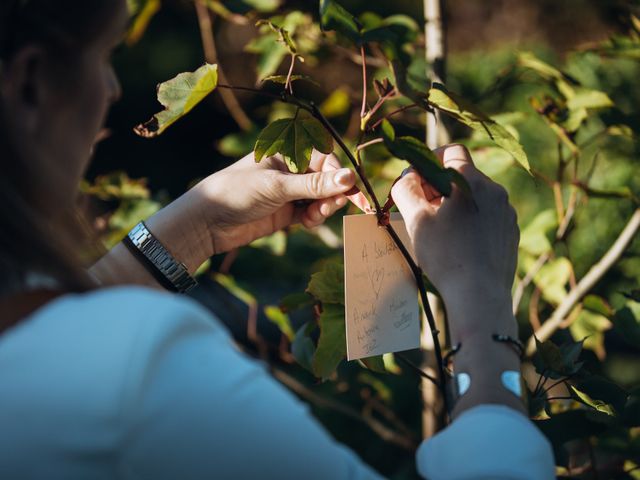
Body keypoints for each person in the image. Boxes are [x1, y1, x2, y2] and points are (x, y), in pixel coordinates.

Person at [0, 0, 555, 478]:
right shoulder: (140, 372)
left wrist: (198, 225)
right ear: (30, 83)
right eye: (103, 55)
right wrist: (482, 308)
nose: (113, 88)